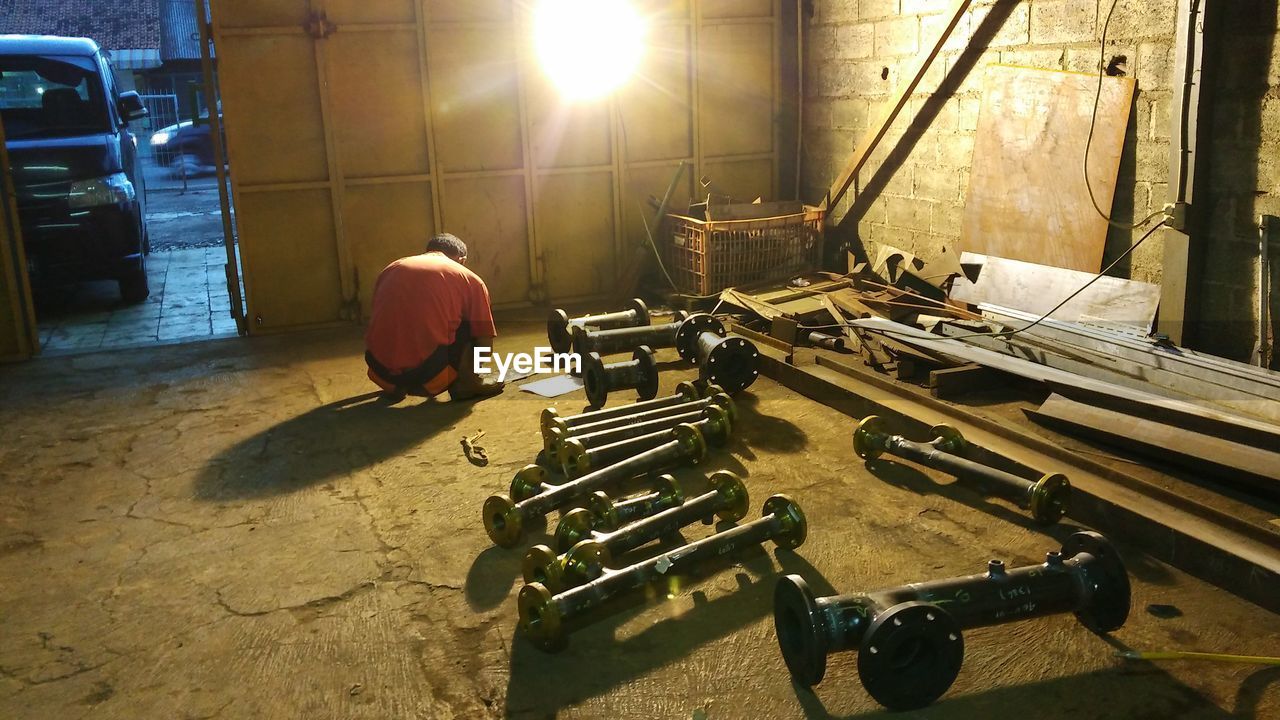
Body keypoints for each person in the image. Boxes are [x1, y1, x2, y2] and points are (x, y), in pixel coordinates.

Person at [364, 233, 504, 401]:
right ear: (462, 260)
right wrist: (475, 370)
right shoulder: (470, 279)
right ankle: (466, 384)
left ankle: (395, 388)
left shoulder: (391, 269)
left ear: (428, 252)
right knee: (473, 325)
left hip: (380, 372)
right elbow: (484, 343)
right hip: (429, 377)